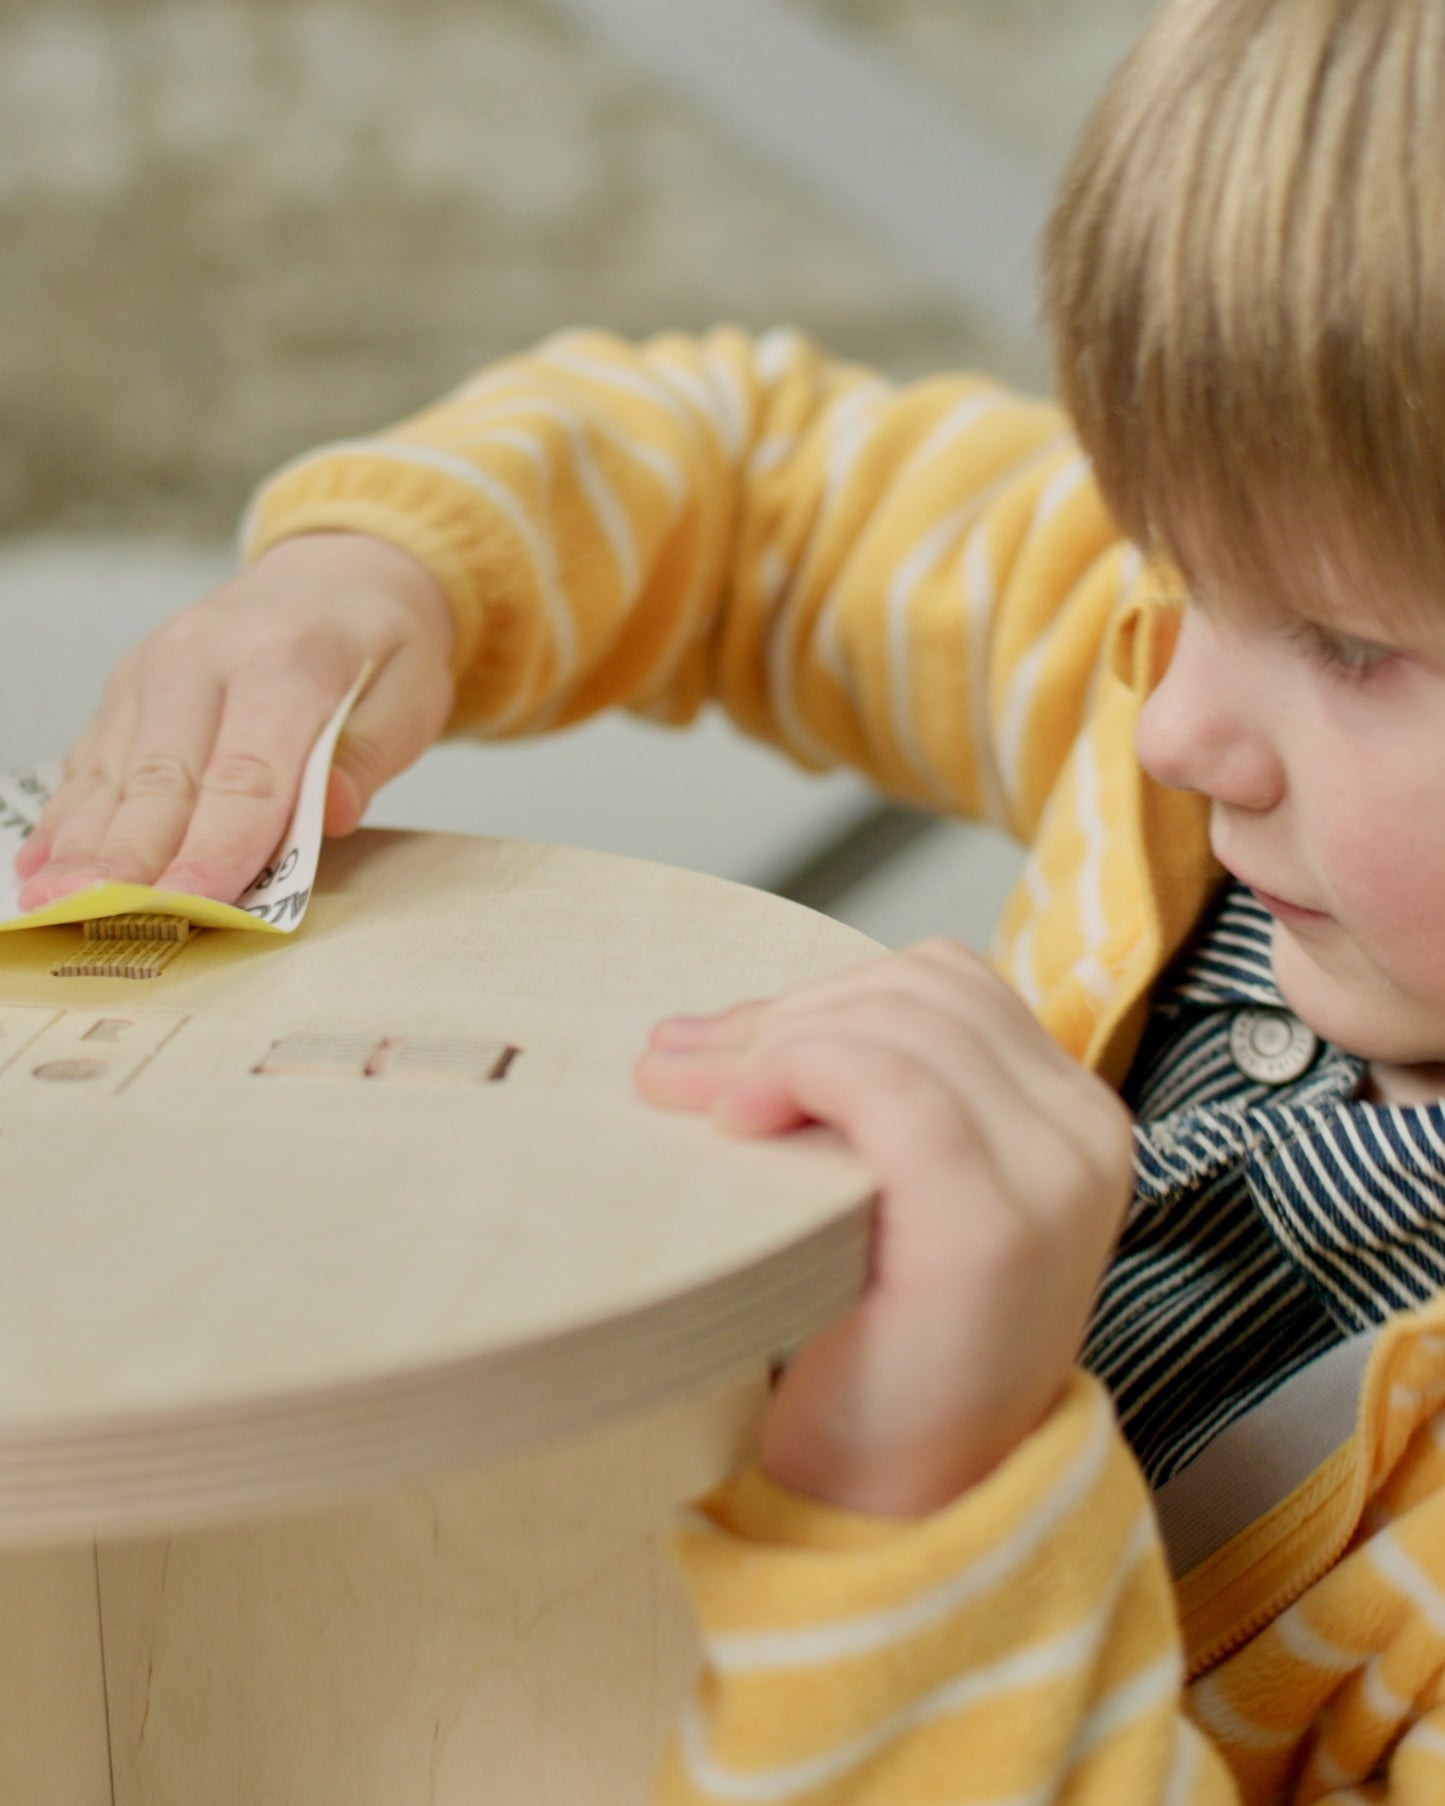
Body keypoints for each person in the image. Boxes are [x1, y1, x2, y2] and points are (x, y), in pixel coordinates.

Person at [17, 0, 1445, 1796]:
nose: (1166, 716)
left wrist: (926, 1505)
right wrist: (379, 578)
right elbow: (752, 480)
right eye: (1175, 556)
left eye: (1347, 646)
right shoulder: (1170, 695)